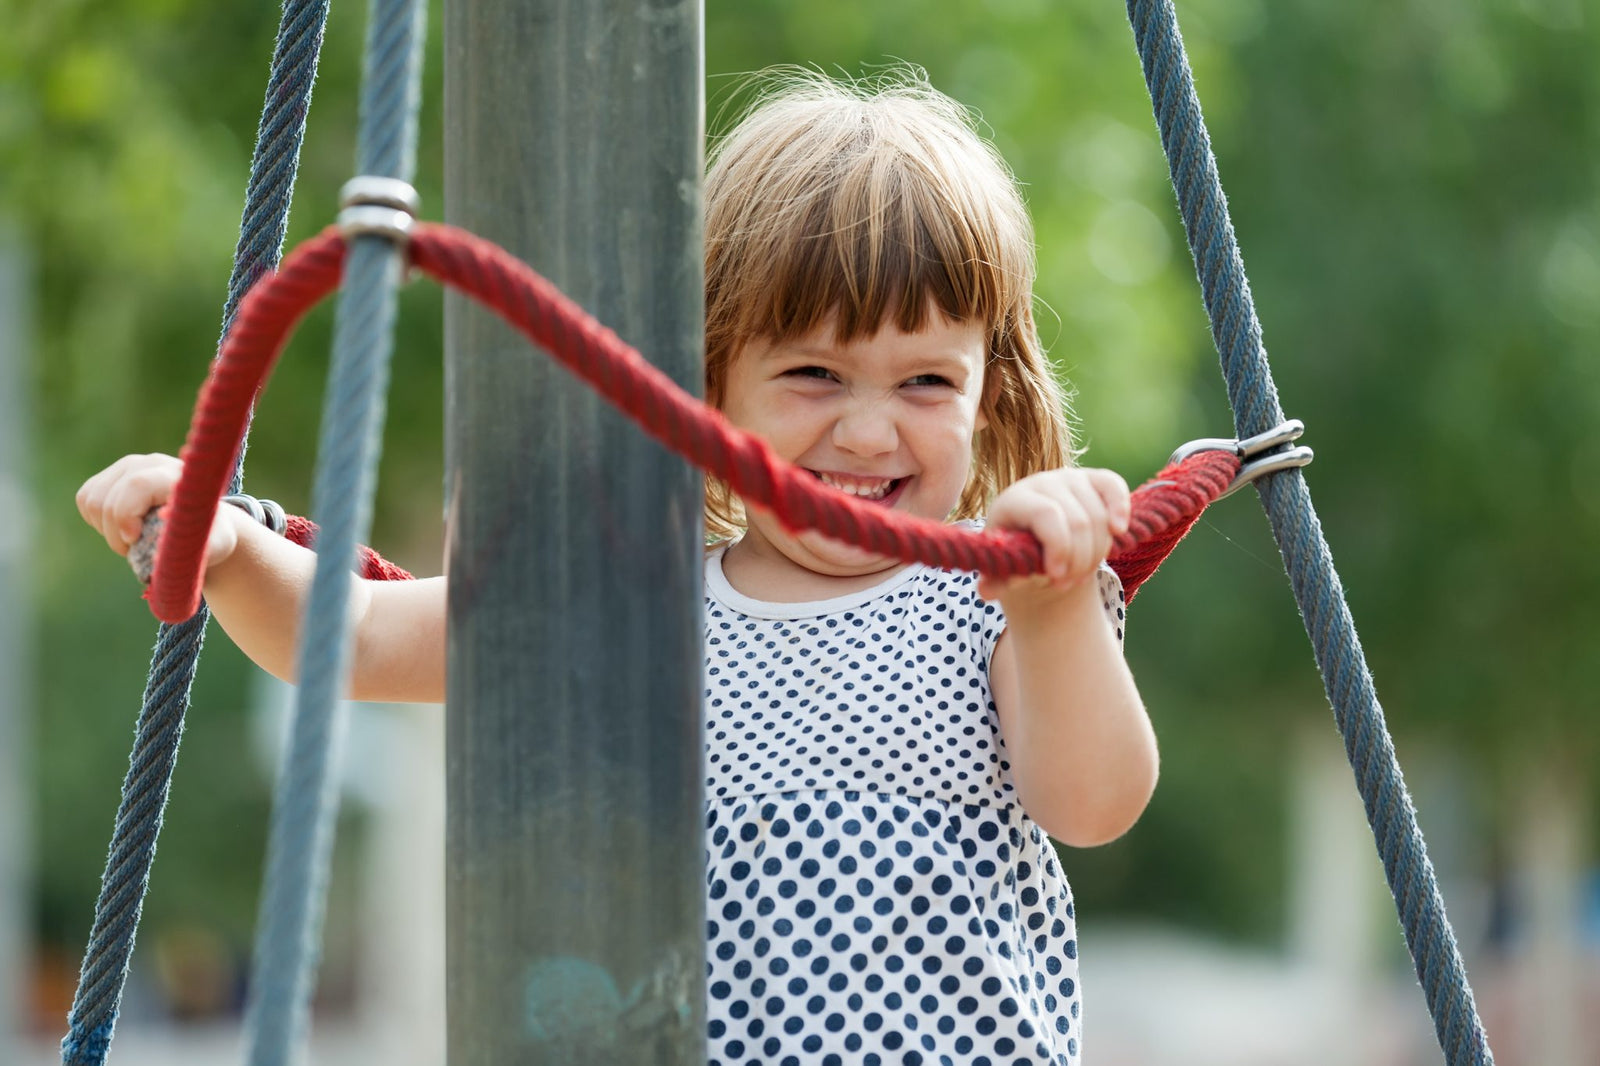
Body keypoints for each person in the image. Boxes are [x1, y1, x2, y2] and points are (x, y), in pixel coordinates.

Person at [77, 69, 1156, 1066]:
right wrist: (230, 545)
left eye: (925, 381)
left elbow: (1093, 801)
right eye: (814, 373)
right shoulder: (639, 602)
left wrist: (1055, 605)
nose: (870, 433)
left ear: (990, 395)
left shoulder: (995, 609)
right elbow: (355, 638)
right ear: (706, 387)